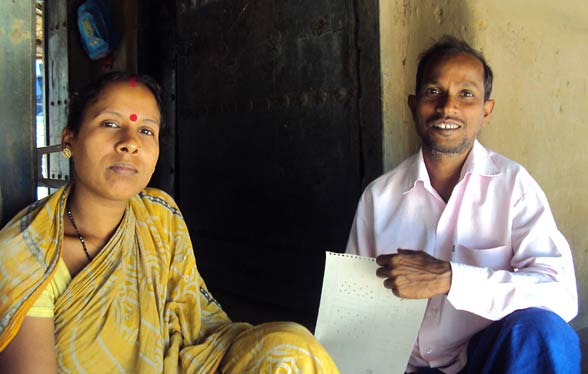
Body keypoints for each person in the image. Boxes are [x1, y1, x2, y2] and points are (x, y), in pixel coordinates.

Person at [0, 72, 338, 373]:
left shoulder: (159, 216)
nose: (130, 142)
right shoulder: (26, 255)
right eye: (110, 123)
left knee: (292, 349)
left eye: (146, 129)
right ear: (69, 139)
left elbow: (197, 329)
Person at [346, 35, 580, 373]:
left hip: (488, 361)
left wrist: (451, 278)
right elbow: (353, 306)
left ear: (487, 111)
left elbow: (559, 294)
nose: (447, 107)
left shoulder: (514, 186)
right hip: (402, 365)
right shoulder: (378, 198)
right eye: (433, 92)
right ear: (414, 105)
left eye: (466, 94)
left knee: (544, 331)